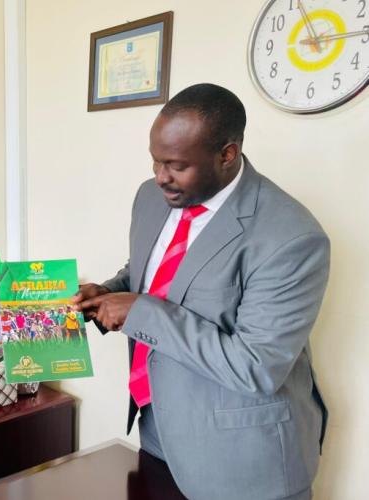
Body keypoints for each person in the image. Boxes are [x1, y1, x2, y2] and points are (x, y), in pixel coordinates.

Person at [74, 83, 329, 500]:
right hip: (159, 431)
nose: (160, 177)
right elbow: (149, 271)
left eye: (175, 165)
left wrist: (138, 311)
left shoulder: (292, 236)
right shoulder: (151, 197)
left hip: (243, 460)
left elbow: (256, 367)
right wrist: (107, 292)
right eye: (155, 161)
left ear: (227, 154)